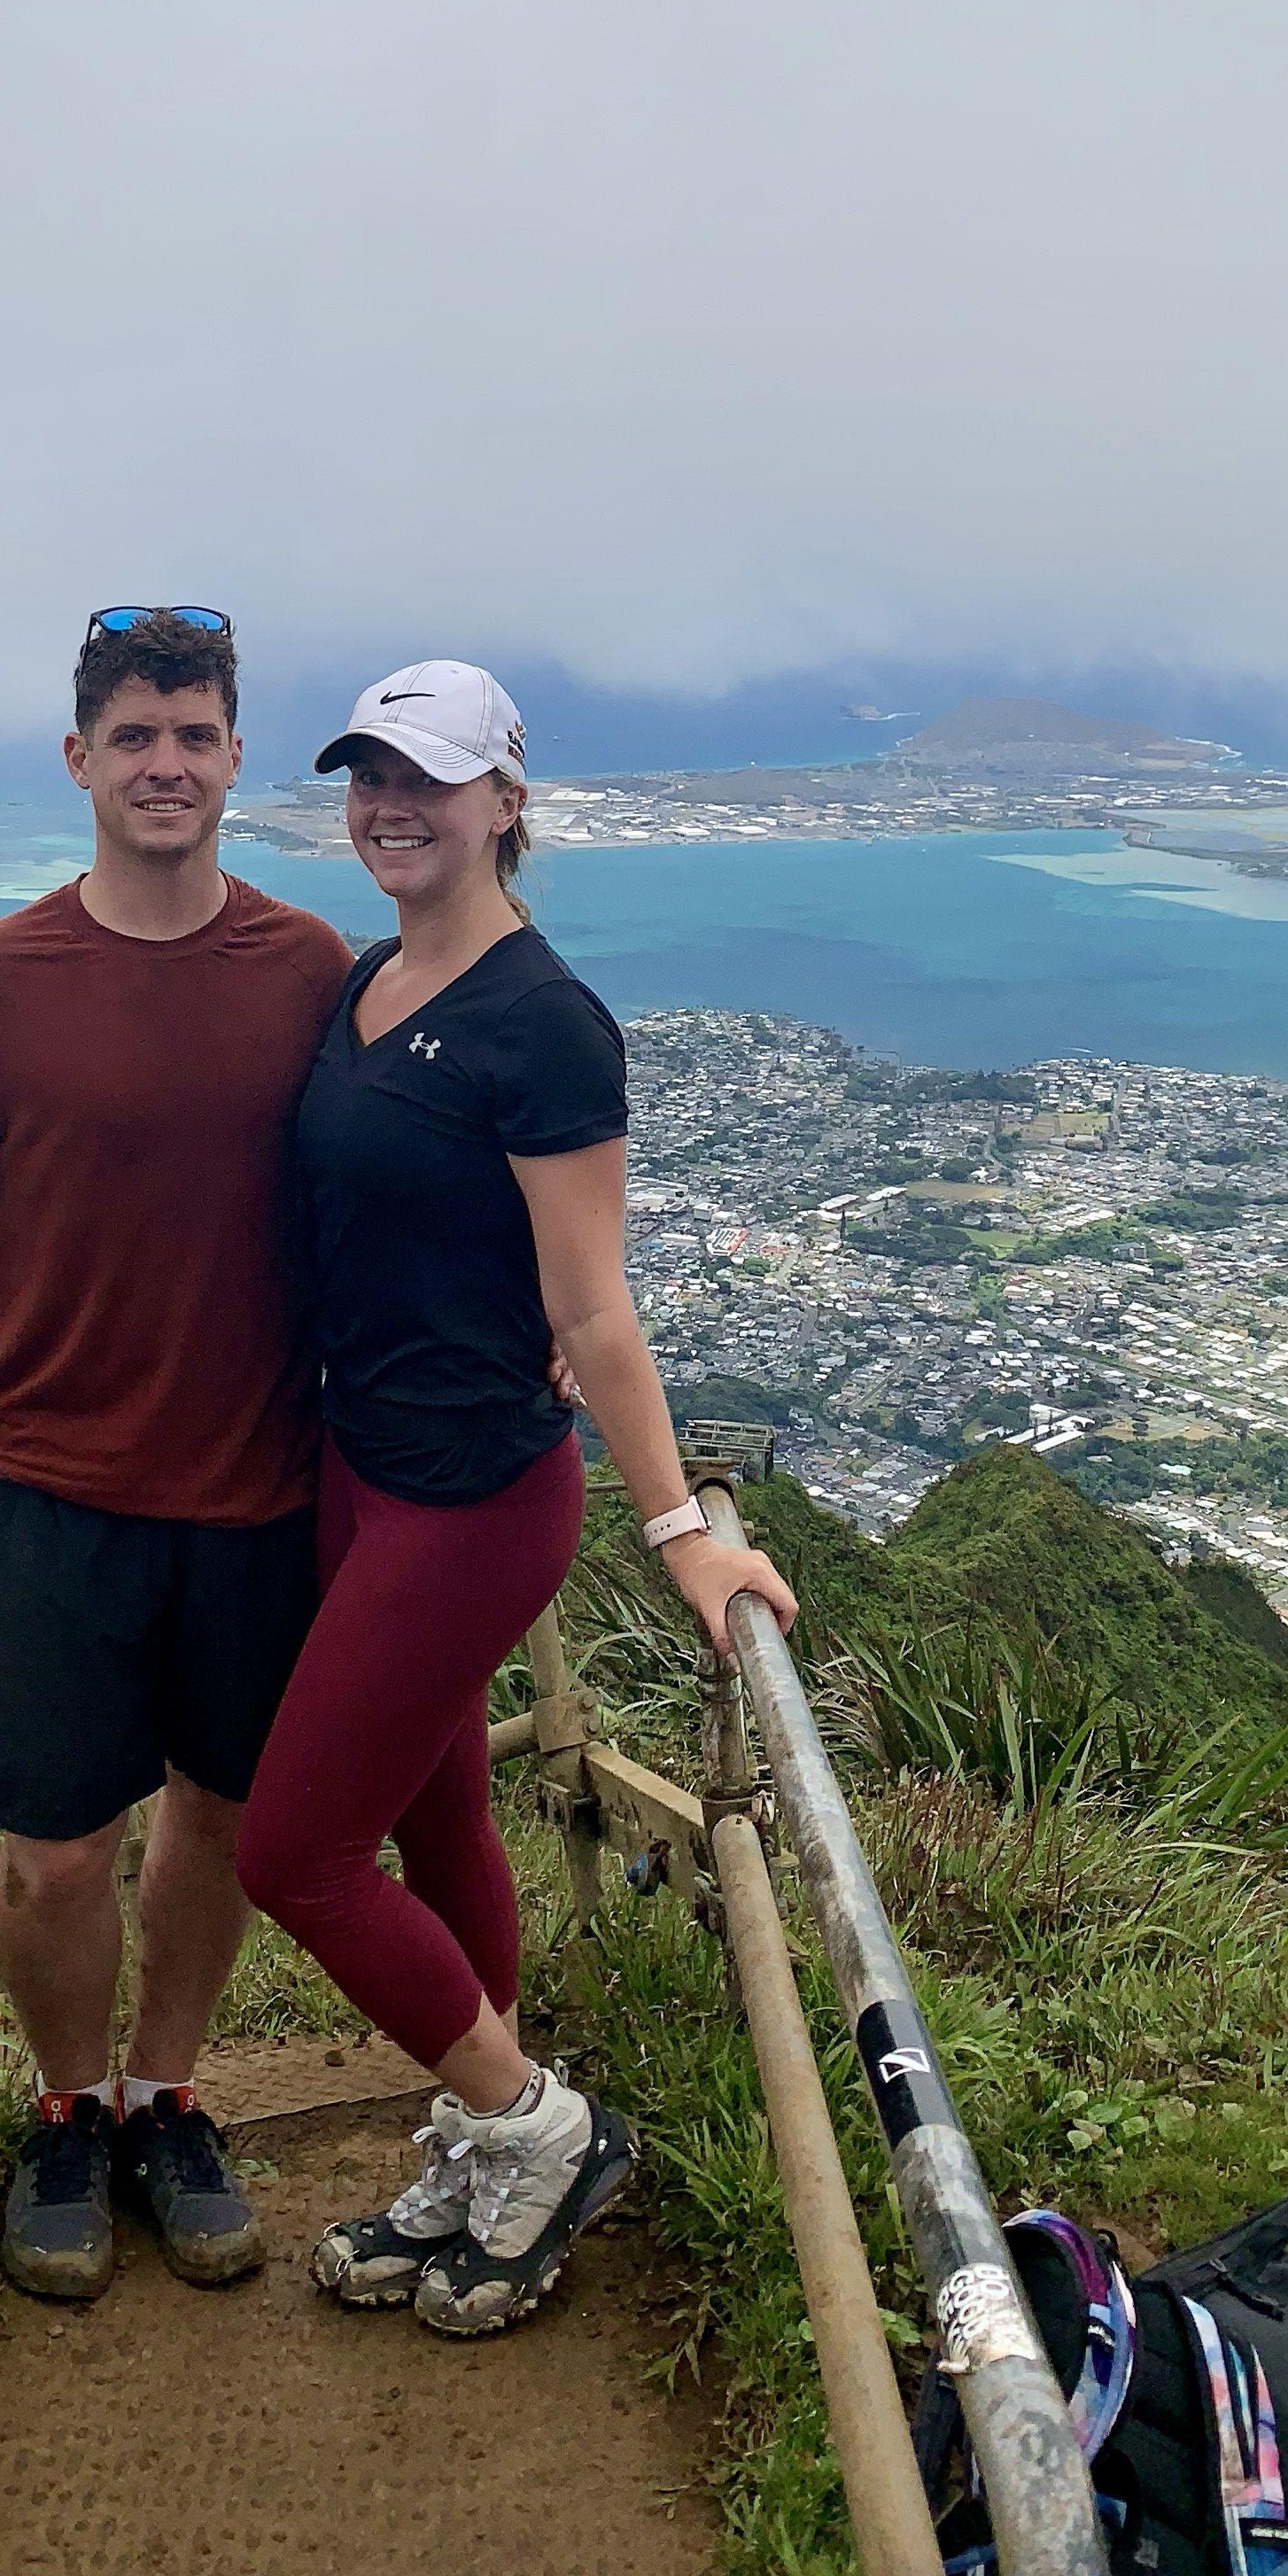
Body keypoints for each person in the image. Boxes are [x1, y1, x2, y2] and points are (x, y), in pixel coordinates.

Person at [0, 605, 350, 2305]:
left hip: (263, 1485)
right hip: (52, 1487)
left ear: (237, 755)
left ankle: (166, 2093)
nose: (166, 764)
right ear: (79, 760)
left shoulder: (313, 971)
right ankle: (60, 2106)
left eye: (194, 733)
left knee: (221, 1818)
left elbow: (406, 1173)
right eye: (134, 736)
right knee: (47, 1847)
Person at [236, 657, 796, 2337]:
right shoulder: (363, 984)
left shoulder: (543, 1020)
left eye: (426, 776)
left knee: (297, 1854)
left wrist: (684, 1530)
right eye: (364, 776)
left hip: (474, 1499)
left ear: (505, 800)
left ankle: (543, 2129)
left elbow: (593, 1310)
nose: (390, 804)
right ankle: (493, 2133)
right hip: (358, 1465)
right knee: (433, 1814)